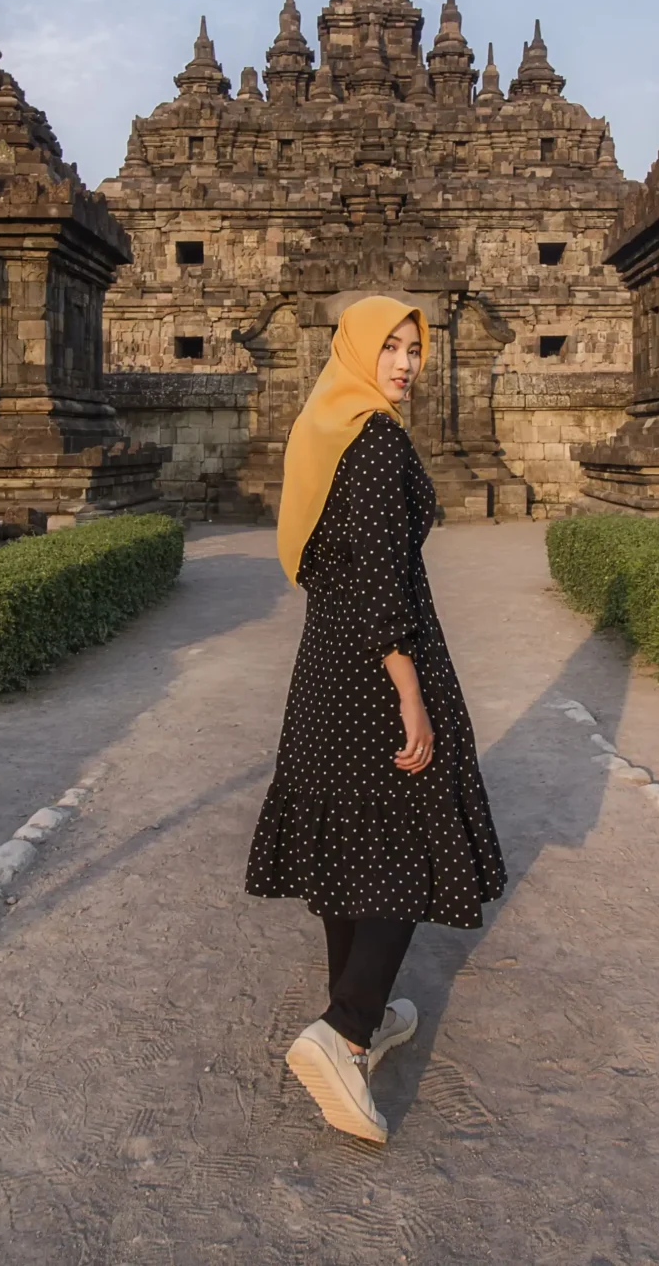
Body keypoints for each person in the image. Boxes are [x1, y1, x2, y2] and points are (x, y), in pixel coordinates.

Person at [246, 295, 508, 1143]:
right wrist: (408, 683)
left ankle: (356, 1013)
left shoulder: (323, 422)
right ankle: (344, 1033)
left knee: (352, 837)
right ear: (356, 350)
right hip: (376, 660)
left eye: (413, 347)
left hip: (326, 659)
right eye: (389, 347)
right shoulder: (376, 437)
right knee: (407, 840)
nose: (405, 362)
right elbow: (383, 573)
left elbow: (324, 558)